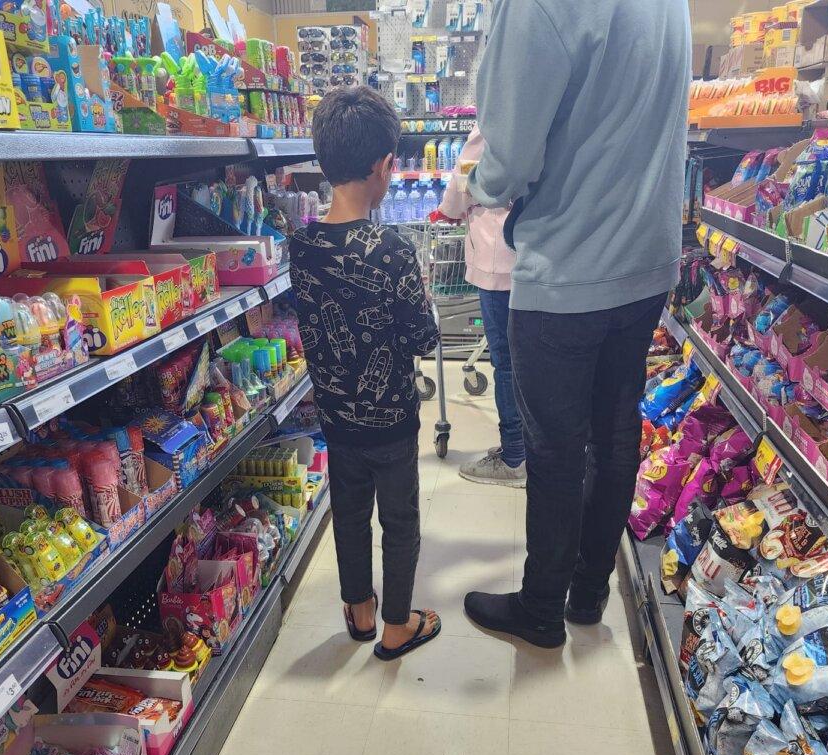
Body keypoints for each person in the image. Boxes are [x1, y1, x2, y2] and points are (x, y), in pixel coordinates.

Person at [463, 0, 691, 648]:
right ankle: (588, 594)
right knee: (616, 432)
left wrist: (475, 185)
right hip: (647, 256)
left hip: (570, 262)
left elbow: (508, 159)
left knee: (556, 451)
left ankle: (540, 609)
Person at [290, 86, 443, 660]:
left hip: (336, 416)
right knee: (399, 519)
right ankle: (399, 626)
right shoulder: (393, 249)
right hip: (391, 420)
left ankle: (359, 611)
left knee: (348, 515)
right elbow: (422, 338)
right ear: (384, 167)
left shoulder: (300, 245)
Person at [435, 126, 524, 487]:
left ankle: (515, 456)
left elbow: (465, 178)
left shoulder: (492, 120)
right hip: (534, 254)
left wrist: (449, 209)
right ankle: (532, 448)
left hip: (497, 259)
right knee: (530, 360)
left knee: (505, 362)